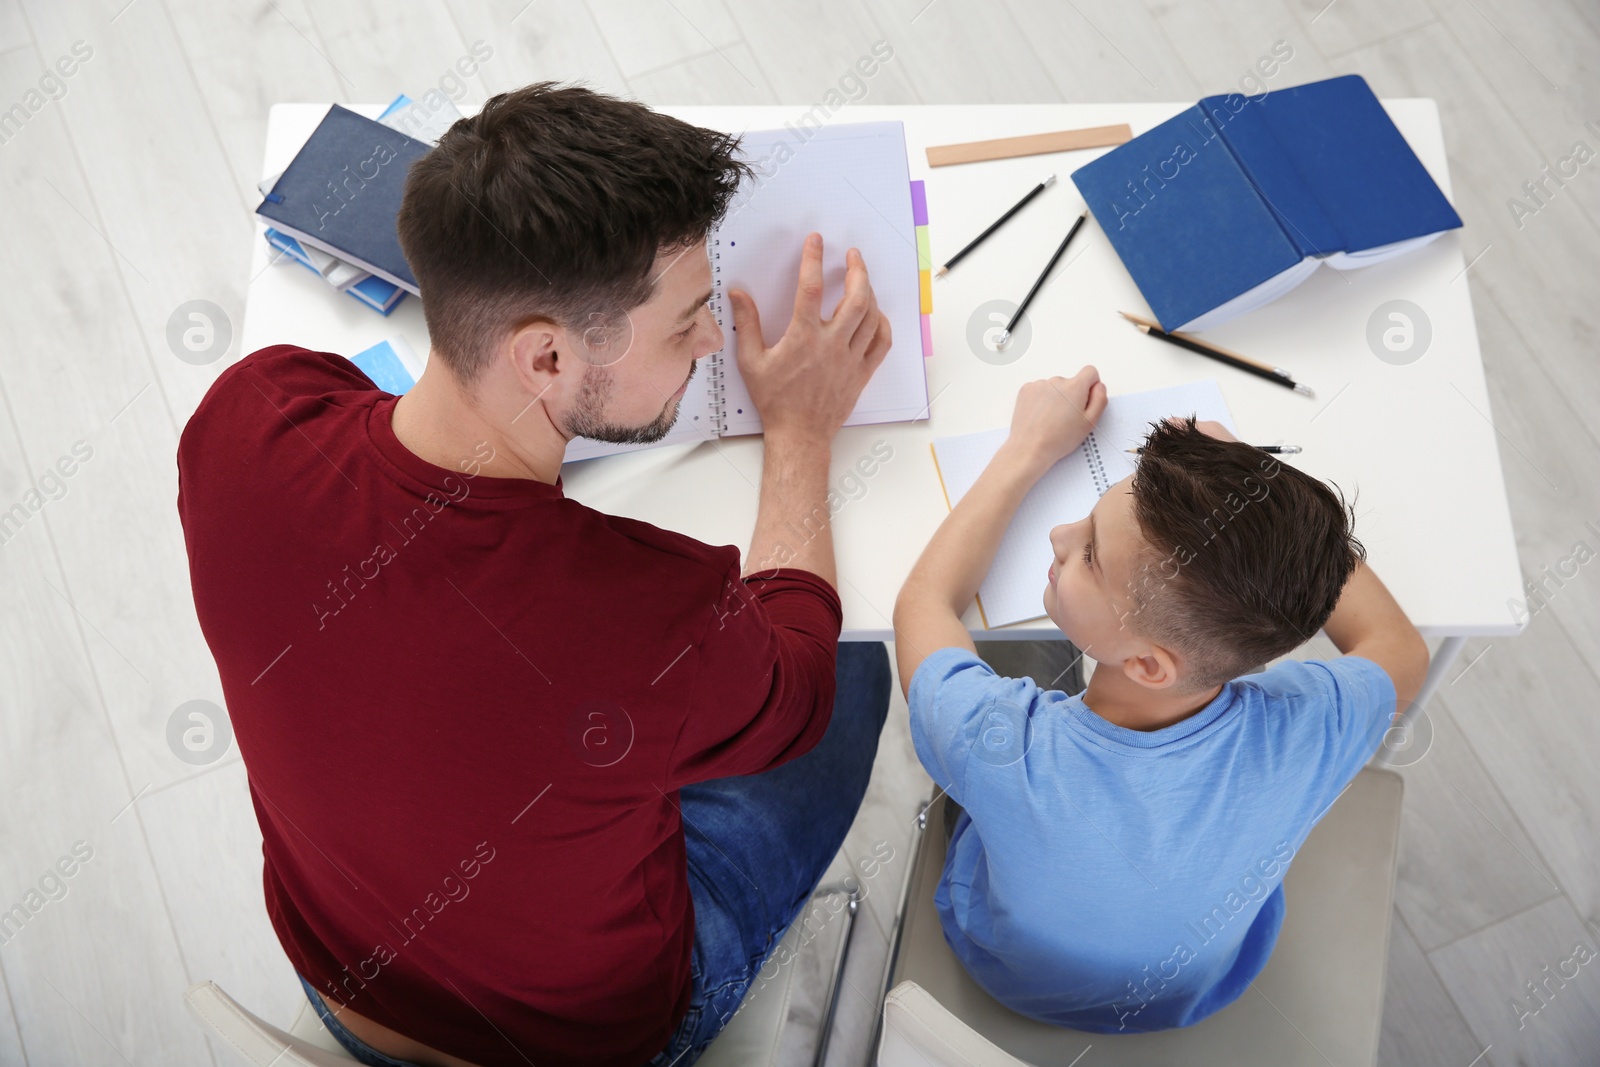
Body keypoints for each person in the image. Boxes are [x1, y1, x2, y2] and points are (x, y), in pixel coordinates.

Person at [176, 82, 895, 1067]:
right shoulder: (648, 613)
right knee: (856, 672)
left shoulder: (245, 415)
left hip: (338, 968)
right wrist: (803, 430)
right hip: (584, 1039)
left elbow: (362, 419)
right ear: (547, 355)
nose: (714, 339)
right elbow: (798, 678)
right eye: (687, 318)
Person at [891, 366, 1428, 1031]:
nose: (1060, 535)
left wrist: (1026, 449)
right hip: (1194, 993)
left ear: (1148, 663)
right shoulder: (1305, 732)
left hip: (1003, 970)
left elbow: (924, 601)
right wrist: (1262, 508)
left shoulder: (1001, 745)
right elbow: (1399, 649)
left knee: (998, 659)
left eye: (1089, 553)